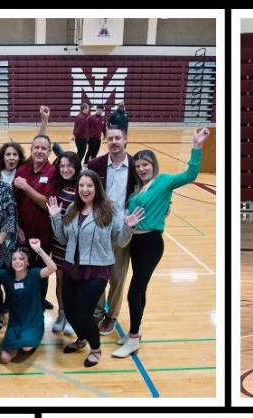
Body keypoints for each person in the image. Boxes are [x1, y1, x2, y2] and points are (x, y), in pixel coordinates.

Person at [113, 128, 209, 358]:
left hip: (151, 243)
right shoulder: (137, 189)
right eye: (138, 166)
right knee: (138, 288)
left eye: (145, 164)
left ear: (153, 164)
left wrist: (196, 147)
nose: (141, 169)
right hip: (133, 243)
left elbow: (190, 175)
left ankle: (134, 338)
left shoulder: (164, 181)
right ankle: (134, 333)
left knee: (135, 291)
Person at [47, 170, 142, 367]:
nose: (85, 189)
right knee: (70, 310)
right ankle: (81, 339)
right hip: (72, 266)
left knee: (83, 313)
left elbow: (120, 241)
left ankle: (96, 348)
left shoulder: (109, 210)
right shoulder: (73, 207)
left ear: (97, 188)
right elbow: (63, 239)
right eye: (81, 185)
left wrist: (129, 228)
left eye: (89, 185)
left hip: (97, 270)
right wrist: (55, 217)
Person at [86, 126, 139, 334]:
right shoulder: (95, 165)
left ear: (126, 139)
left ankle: (111, 316)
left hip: (123, 229)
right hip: (99, 228)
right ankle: (97, 312)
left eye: (118, 138)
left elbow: (151, 188)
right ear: (105, 141)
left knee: (117, 275)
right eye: (110, 138)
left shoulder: (136, 166)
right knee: (98, 274)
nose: (114, 142)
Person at [12, 134, 57, 309]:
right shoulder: (22, 170)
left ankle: (39, 302)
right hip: (22, 233)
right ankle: (22, 302)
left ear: (49, 151)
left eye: (43, 148)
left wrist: (26, 187)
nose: (39, 151)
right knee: (21, 268)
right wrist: (16, 226)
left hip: (44, 234)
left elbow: (46, 203)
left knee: (41, 271)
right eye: (36, 147)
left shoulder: (53, 172)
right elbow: (13, 202)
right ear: (31, 150)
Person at [0, 242, 56, 363]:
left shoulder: (34, 274)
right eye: (14, 259)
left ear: (27, 262)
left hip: (33, 322)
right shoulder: (6, 275)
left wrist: (39, 249)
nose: (18, 261)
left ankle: (28, 341)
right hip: (15, 324)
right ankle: (16, 344)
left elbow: (52, 268)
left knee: (26, 346)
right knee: (4, 359)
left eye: (22, 258)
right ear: (11, 262)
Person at [48, 151, 81, 335]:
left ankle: (72, 315)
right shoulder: (57, 186)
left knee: (73, 281)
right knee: (60, 280)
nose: (66, 169)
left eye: (69, 166)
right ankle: (61, 313)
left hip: (75, 244)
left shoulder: (82, 186)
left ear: (76, 167)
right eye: (62, 166)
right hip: (57, 242)